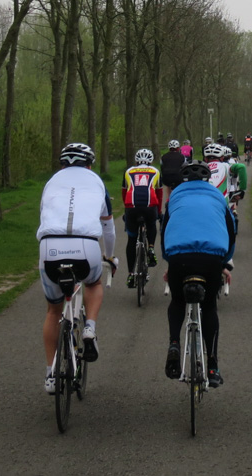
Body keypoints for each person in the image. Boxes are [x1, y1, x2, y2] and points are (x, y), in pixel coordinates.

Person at [37, 142, 116, 394]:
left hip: (50, 247)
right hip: (86, 246)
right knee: (93, 282)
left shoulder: (51, 183)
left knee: (53, 310)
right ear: (89, 164)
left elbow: (45, 216)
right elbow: (109, 227)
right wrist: (110, 257)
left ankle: (51, 374)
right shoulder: (97, 182)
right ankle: (90, 328)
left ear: (62, 164)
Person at [163, 161, 236, 388]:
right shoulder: (217, 196)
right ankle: (212, 366)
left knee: (177, 301)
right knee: (210, 308)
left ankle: (174, 342)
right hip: (211, 258)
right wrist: (225, 262)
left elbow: (165, 229)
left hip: (179, 257)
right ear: (207, 179)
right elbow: (231, 231)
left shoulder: (174, 197)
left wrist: (169, 260)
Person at [122, 149, 161, 287]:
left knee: (131, 240)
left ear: (136, 160)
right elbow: (159, 192)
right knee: (151, 224)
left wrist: (126, 210)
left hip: (131, 207)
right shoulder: (156, 171)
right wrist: (159, 212)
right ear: (150, 161)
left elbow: (124, 191)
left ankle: (131, 275)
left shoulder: (128, 171)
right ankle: (150, 247)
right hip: (149, 206)